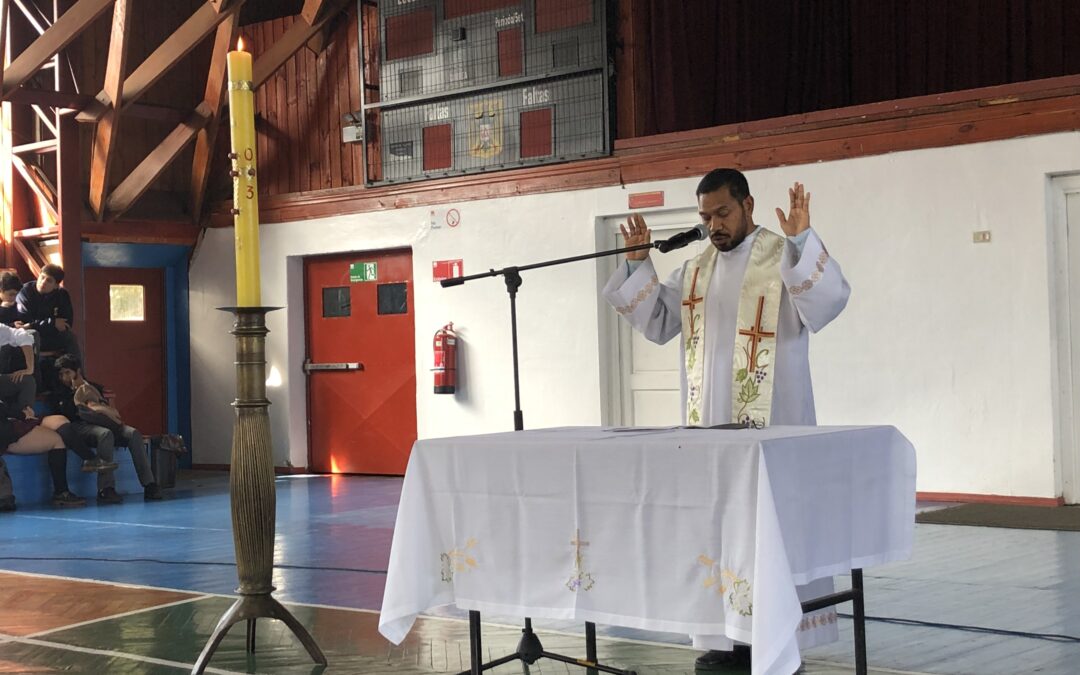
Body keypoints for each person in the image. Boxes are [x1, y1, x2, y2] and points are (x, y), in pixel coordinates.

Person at [602, 169, 850, 672]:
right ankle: (723, 636)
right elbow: (658, 321)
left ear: (748, 205)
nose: (713, 224)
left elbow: (828, 302)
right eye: (705, 216)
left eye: (722, 213)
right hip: (708, 435)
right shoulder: (695, 270)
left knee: (771, 533)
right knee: (718, 533)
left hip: (773, 431)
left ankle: (776, 639)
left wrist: (802, 239)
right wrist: (637, 262)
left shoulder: (783, 257)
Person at [53, 354, 163, 503]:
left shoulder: (94, 387)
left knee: (133, 434)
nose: (64, 377)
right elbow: (69, 415)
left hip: (104, 422)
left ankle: (149, 484)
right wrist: (77, 395)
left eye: (67, 372)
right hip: (79, 426)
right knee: (105, 434)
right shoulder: (60, 392)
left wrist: (98, 407)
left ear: (77, 371)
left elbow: (109, 411)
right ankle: (106, 489)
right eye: (61, 374)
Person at [0, 400, 117, 509]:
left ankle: (90, 459)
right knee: (56, 440)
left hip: (13, 418)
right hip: (5, 429)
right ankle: (62, 491)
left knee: (60, 420)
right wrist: (21, 414)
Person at [17, 263, 81, 363]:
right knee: (32, 334)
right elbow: (26, 323)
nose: (43, 282)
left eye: (49, 281)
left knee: (69, 336)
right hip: (32, 335)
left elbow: (66, 324)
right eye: (42, 277)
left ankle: (77, 375)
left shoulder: (62, 295)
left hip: (51, 335)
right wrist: (52, 323)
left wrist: (46, 325)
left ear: (56, 286)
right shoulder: (25, 292)